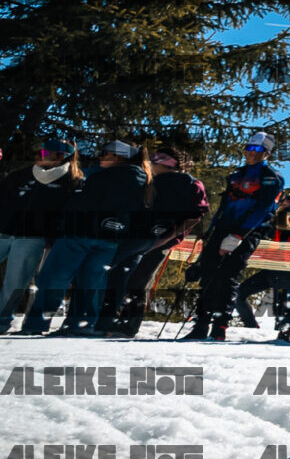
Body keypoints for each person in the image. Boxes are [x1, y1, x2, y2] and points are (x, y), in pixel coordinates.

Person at [182, 133, 287, 341]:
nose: (251, 152)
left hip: (248, 231)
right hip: (223, 227)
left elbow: (263, 209)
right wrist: (211, 230)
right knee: (208, 274)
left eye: (257, 149)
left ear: (266, 153)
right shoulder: (237, 174)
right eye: (249, 147)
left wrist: (239, 235)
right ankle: (201, 324)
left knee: (227, 276)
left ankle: (220, 326)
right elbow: (224, 205)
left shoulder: (270, 177)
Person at [102, 144, 205, 335]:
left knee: (139, 279)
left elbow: (195, 216)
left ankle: (128, 325)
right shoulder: (149, 180)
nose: (150, 163)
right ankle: (109, 319)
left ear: (168, 164)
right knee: (120, 276)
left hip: (160, 240)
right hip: (136, 237)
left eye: (155, 160)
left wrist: (166, 238)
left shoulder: (190, 184)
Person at [21, 140, 118, 335]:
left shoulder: (85, 176)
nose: (100, 157)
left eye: (105, 154)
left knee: (57, 279)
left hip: (80, 234)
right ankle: (80, 325)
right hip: (100, 236)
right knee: (88, 282)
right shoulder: (127, 178)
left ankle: (38, 325)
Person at [0, 140, 69, 322]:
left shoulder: (70, 180)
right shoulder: (20, 175)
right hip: (4, 231)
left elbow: (65, 214)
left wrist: (52, 237)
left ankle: (2, 319)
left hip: (31, 237)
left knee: (15, 282)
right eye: (38, 152)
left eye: (44, 153)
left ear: (60, 156)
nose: (38, 156)